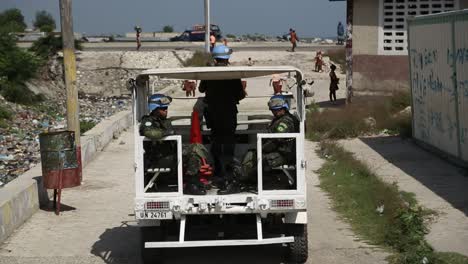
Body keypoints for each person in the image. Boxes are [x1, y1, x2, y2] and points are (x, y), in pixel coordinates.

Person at [198, 45, 246, 194]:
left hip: (213, 114)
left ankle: (218, 171)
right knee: (229, 142)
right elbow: (240, 95)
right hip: (229, 114)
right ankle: (230, 173)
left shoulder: (209, 72)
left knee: (216, 140)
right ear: (227, 59)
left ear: (215, 57)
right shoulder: (233, 74)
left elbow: (201, 89)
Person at [139, 94, 209, 195]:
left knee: (195, 149)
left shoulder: (164, 121)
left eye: (166, 108)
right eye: (163, 108)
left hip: (168, 154)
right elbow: (149, 132)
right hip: (157, 158)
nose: (166, 110)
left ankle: (192, 182)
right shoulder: (148, 121)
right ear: (154, 109)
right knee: (193, 151)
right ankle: (191, 183)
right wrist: (165, 133)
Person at [241, 95, 299, 183]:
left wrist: (261, 149)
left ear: (284, 107)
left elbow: (275, 140)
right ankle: (249, 179)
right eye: (273, 110)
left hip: (284, 154)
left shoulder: (286, 121)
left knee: (257, 159)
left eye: (277, 109)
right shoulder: (280, 119)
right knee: (251, 154)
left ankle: (247, 179)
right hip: (280, 152)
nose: (275, 112)